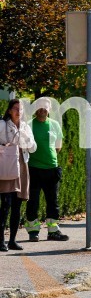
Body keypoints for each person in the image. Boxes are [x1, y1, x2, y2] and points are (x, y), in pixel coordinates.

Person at [24, 99, 68, 242]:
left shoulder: (54, 125)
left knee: (53, 202)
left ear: (49, 109)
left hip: (52, 169)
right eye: (40, 107)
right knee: (33, 202)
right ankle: (33, 231)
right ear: (35, 109)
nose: (42, 110)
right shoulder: (29, 126)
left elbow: (58, 147)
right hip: (34, 169)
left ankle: (53, 231)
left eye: (45, 107)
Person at [0, 100, 36, 251]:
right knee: (6, 205)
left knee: (17, 205)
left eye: (21, 109)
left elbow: (33, 147)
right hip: (7, 166)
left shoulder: (26, 126)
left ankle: (12, 241)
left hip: (22, 166)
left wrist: (25, 139)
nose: (18, 112)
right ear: (9, 111)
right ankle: (0, 240)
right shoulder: (2, 125)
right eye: (15, 109)